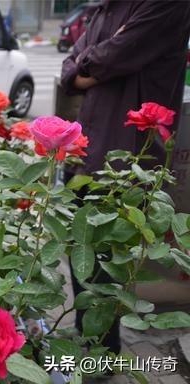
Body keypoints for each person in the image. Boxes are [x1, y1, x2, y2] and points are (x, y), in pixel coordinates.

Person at [60, 0, 190, 354]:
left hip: (124, 160)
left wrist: (94, 62)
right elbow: (71, 67)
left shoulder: (165, 5)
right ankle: (91, 343)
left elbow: (109, 57)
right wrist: (92, 64)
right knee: (80, 254)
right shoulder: (105, 8)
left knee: (105, 263)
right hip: (85, 151)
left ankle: (101, 353)